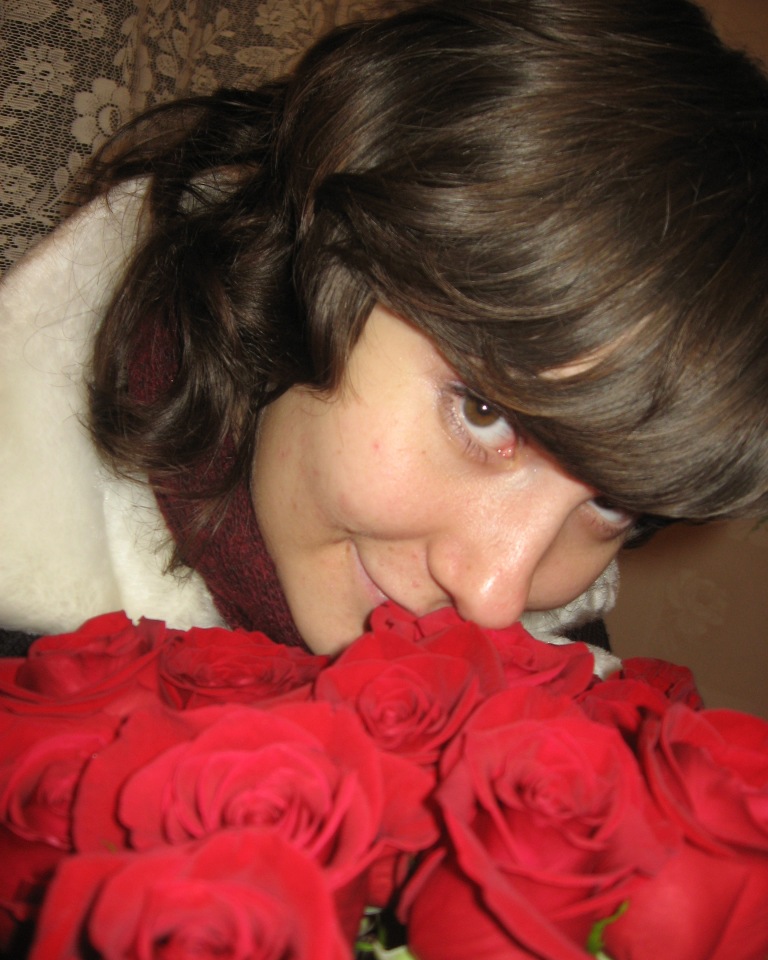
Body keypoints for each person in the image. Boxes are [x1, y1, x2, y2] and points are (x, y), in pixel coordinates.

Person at [1, 0, 767, 663]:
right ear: (314, 256)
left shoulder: (564, 676)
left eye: (612, 504)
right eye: (484, 412)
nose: (496, 596)